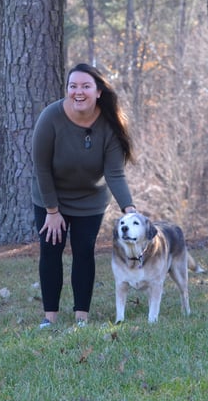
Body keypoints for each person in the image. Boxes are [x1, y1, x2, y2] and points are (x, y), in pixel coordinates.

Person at [32, 63, 136, 329]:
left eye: (85, 86)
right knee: (51, 251)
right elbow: (41, 168)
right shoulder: (50, 117)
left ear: (98, 91)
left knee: (84, 252)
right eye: (73, 86)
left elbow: (114, 173)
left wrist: (129, 208)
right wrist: (52, 212)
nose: (78, 92)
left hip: (90, 199)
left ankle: (81, 318)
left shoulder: (109, 125)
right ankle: (49, 317)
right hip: (50, 195)